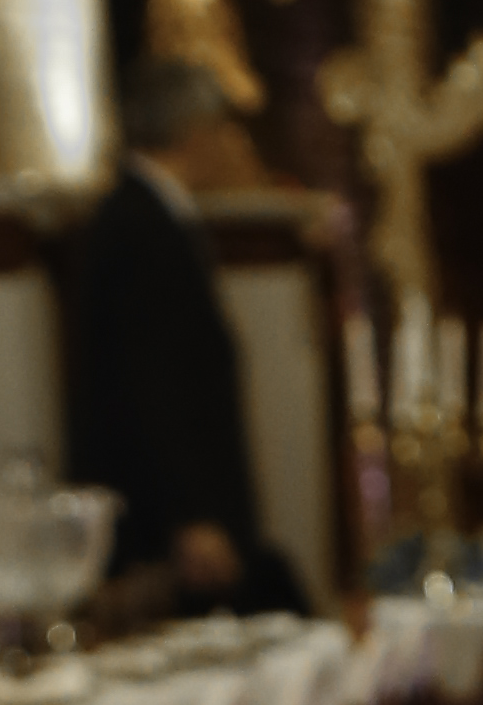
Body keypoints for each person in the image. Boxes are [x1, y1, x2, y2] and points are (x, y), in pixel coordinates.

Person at [63, 51, 309, 615]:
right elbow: (147, 382)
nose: (228, 144)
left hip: (178, 512)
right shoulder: (138, 225)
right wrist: (189, 515)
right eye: (221, 128)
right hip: (163, 523)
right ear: (193, 132)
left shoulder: (147, 215)